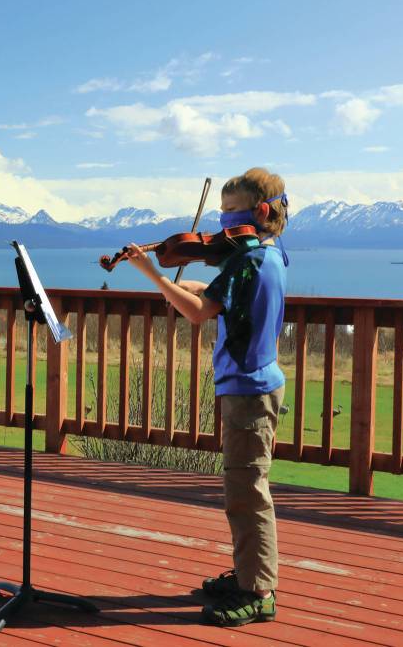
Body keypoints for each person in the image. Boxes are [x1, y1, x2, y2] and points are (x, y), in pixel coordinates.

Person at [122, 168, 289, 627]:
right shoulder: (267, 255)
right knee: (242, 488)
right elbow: (218, 297)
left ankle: (259, 591)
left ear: (257, 211)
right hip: (256, 384)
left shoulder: (246, 261)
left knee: (247, 493)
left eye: (230, 213)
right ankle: (248, 574)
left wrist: (155, 276)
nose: (220, 226)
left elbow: (199, 313)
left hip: (249, 391)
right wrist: (183, 287)